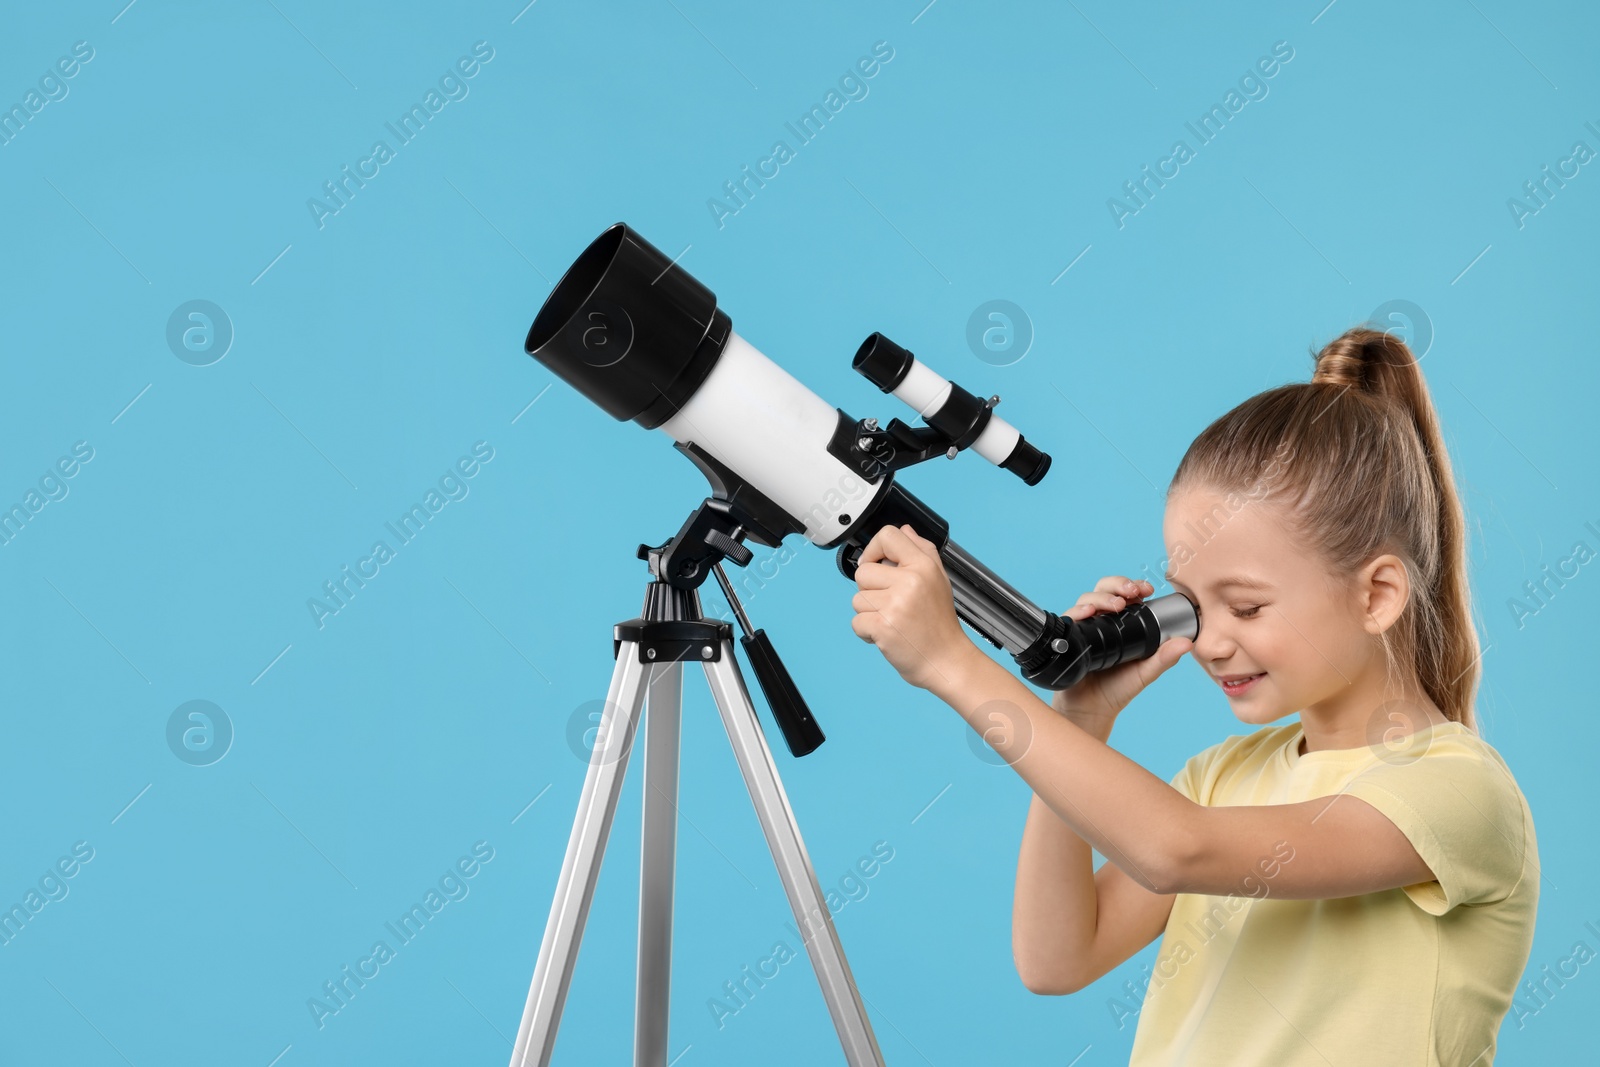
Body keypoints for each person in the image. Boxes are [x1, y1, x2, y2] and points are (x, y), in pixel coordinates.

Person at [847, 326, 1539, 1065]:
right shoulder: (1222, 777)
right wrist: (1082, 716)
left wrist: (956, 666)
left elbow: (1175, 849)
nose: (1210, 641)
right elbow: (1056, 958)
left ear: (1376, 594)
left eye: (1246, 607)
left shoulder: (1455, 790)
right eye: (1192, 604)